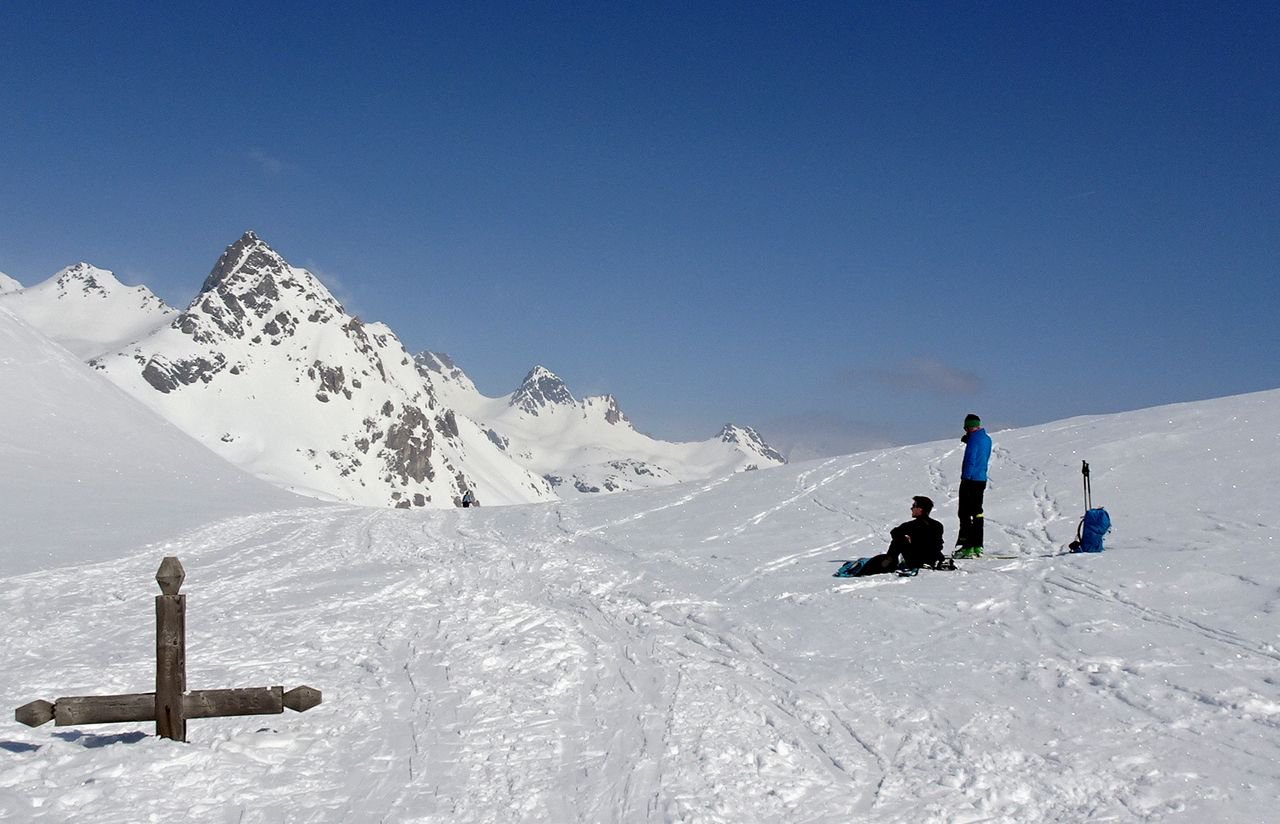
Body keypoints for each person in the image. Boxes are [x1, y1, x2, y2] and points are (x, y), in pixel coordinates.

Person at [839, 495, 946, 576]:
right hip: (933, 559)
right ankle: (890, 559)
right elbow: (938, 545)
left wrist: (905, 539)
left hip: (915, 561)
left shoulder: (911, 525)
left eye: (914, 506)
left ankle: (889, 560)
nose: (911, 508)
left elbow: (894, 532)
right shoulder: (938, 525)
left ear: (920, 509)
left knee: (898, 540)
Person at [954, 413, 992, 559]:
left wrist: (965, 478)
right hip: (981, 479)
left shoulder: (974, 441)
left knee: (964, 512)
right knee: (977, 512)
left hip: (970, 480)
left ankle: (967, 546)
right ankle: (977, 545)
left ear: (968, 427)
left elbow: (970, 459)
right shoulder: (986, 439)